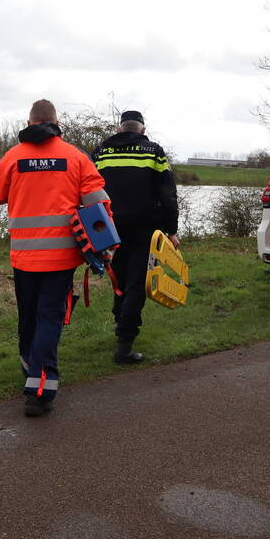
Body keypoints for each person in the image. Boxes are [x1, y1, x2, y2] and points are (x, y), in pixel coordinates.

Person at [0, 100, 110, 417]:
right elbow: (99, 206)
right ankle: (40, 389)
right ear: (57, 122)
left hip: (24, 257)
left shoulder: (13, 157)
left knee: (28, 317)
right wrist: (106, 247)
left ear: (29, 121)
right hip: (61, 257)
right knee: (49, 318)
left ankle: (31, 370)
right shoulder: (76, 157)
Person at [91, 110, 178, 364]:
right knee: (137, 283)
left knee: (118, 278)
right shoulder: (154, 151)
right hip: (145, 229)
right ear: (142, 129)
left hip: (110, 228)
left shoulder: (101, 152)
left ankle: (121, 323)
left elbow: (89, 189)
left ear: (120, 129)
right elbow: (168, 194)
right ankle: (124, 345)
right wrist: (172, 230)